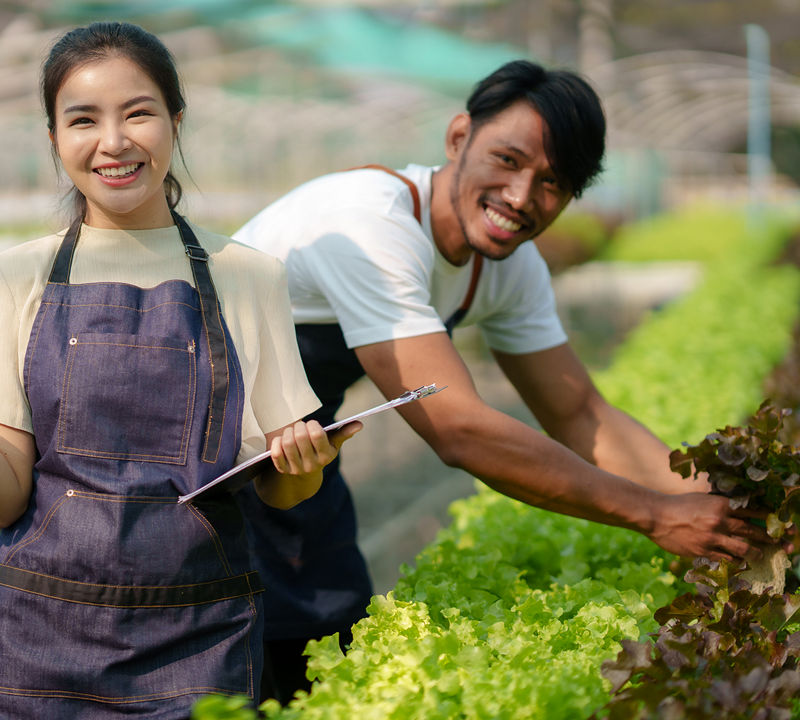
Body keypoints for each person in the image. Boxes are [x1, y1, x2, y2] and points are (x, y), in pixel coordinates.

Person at [0, 21, 361, 719]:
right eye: (83, 119)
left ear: (176, 123)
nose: (113, 141)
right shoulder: (13, 277)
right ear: (55, 139)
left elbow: (282, 491)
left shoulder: (250, 277)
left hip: (198, 637)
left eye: (139, 113)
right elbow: (2, 500)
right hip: (37, 644)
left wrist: (304, 462)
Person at [230, 59, 774, 701]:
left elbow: (578, 412)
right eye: (507, 160)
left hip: (289, 444)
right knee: (247, 643)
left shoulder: (507, 268)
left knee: (325, 623)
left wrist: (728, 514)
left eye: (552, 182)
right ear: (459, 137)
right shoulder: (370, 224)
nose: (520, 197)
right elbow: (459, 429)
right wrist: (655, 514)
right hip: (188, 432)